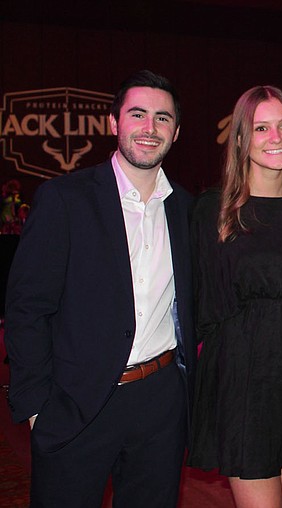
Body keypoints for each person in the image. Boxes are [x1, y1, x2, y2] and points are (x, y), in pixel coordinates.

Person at [4, 70, 195, 507]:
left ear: (177, 131)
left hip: (161, 405)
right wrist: (36, 408)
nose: (150, 128)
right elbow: (27, 309)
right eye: (138, 114)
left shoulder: (186, 209)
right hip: (76, 405)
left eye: (163, 118)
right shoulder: (65, 199)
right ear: (114, 123)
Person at [187, 85, 282, 508]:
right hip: (245, 382)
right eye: (261, 127)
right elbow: (204, 311)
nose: (275, 137)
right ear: (240, 139)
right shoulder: (214, 212)